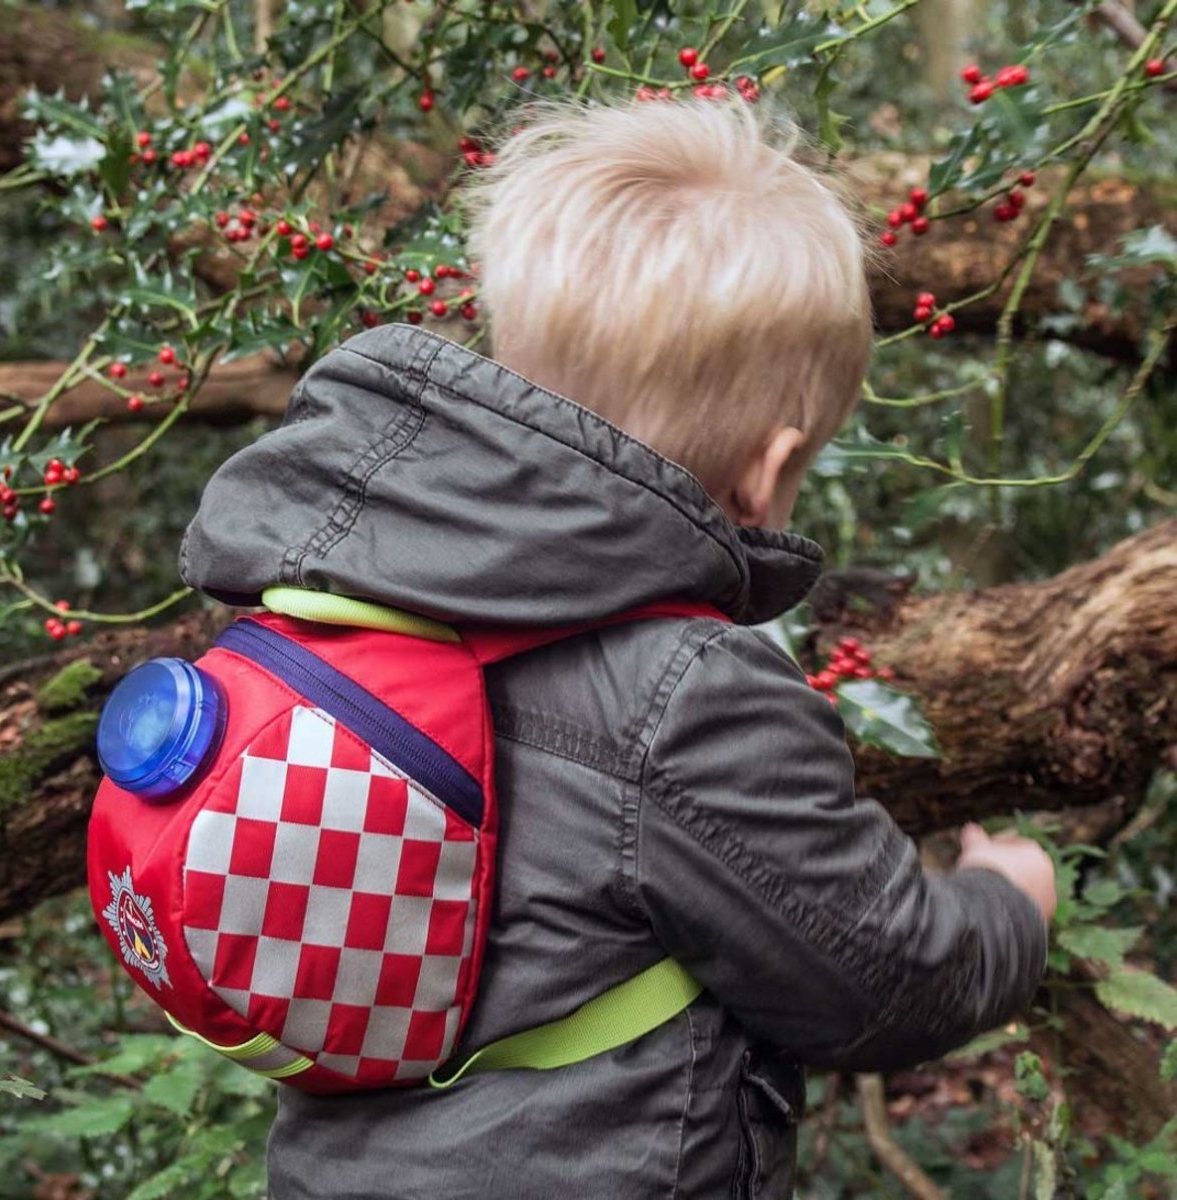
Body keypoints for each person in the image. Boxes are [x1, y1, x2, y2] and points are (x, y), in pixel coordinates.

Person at [180, 98, 1054, 1199]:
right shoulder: (685, 695)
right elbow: (881, 978)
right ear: (772, 467)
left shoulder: (340, 595)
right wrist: (1008, 905)